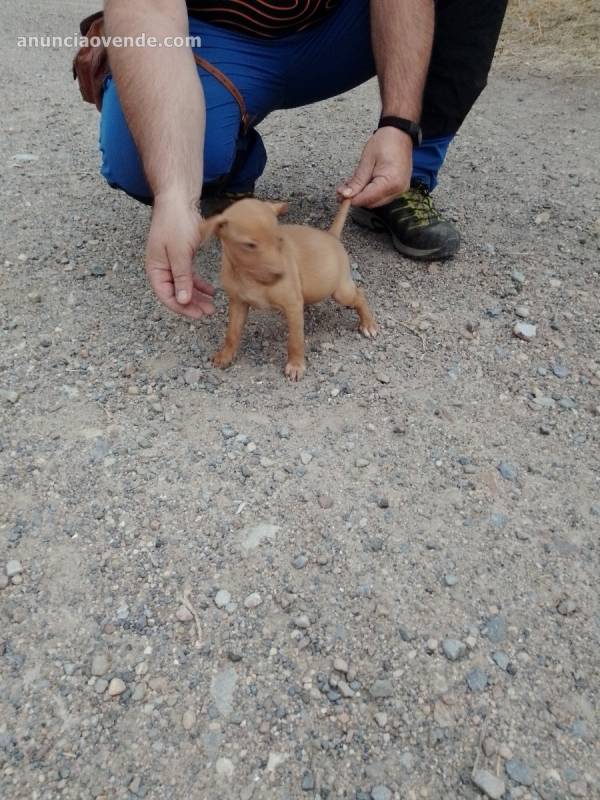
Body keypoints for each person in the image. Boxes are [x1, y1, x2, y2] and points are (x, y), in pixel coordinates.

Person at [101, 0, 507, 320]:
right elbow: (146, 10)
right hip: (216, 37)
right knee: (143, 161)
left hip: (335, 29)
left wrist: (400, 124)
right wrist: (174, 193)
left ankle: (406, 175)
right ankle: (226, 166)